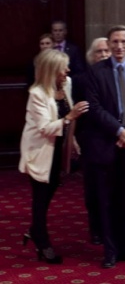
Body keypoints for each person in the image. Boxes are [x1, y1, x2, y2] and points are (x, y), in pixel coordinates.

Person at [83, 25, 125, 268]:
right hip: (106, 145)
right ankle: (110, 251)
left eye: (124, 41)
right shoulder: (94, 72)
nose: (119, 46)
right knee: (106, 201)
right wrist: (119, 130)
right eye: (115, 42)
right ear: (109, 44)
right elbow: (93, 106)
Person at [19, 49, 89, 264]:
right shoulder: (37, 94)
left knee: (50, 191)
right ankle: (42, 243)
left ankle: (33, 230)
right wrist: (70, 116)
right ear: (52, 70)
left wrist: (73, 140)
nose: (67, 71)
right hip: (40, 152)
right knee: (40, 199)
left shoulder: (65, 83)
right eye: (63, 68)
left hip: (57, 150)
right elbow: (45, 128)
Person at [72, 37, 111, 245]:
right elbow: (76, 111)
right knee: (93, 189)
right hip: (90, 139)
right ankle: (95, 228)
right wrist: (74, 140)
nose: (103, 55)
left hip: (113, 138)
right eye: (99, 52)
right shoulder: (80, 79)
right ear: (90, 56)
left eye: (106, 51)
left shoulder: (115, 75)